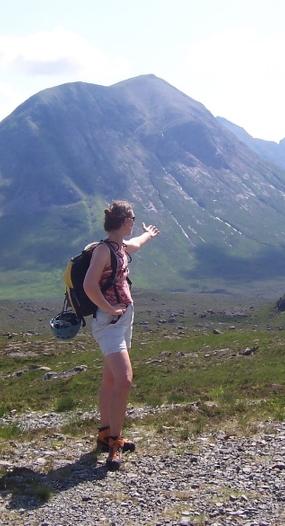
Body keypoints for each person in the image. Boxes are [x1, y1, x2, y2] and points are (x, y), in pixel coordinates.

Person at [83, 200, 160, 471]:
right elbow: (89, 285)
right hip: (110, 322)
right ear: (125, 221)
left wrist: (148, 234)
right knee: (125, 379)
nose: (134, 223)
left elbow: (136, 244)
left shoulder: (120, 247)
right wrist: (110, 308)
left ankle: (105, 433)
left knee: (111, 378)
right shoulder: (103, 251)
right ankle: (115, 441)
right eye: (133, 219)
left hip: (123, 318)